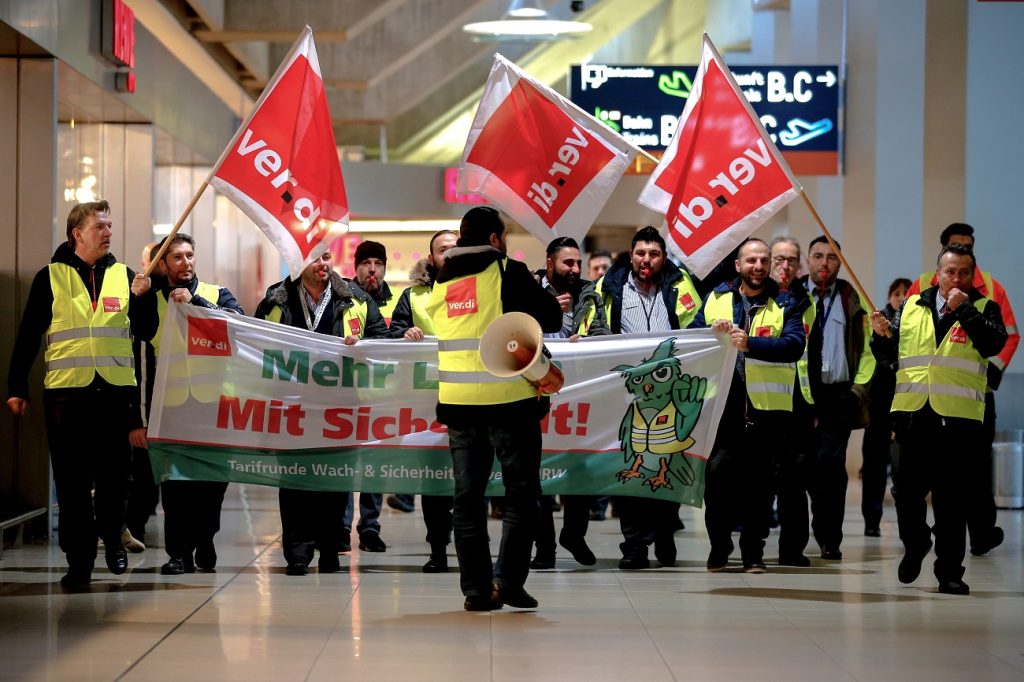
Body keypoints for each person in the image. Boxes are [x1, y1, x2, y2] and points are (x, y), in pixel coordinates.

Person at [7, 200, 157, 589]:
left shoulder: (126, 276)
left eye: (110, 226)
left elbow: (145, 331)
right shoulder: (51, 277)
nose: (108, 232)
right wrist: (16, 386)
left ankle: (112, 537)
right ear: (78, 233)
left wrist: (144, 297)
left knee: (114, 479)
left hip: (114, 394)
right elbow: (27, 336)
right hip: (66, 397)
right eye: (100, 226)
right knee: (71, 483)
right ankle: (80, 562)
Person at [426, 206, 562, 611]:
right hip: (509, 404)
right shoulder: (506, 272)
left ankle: (477, 591)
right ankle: (508, 583)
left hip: (459, 406)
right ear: (495, 239)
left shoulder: (441, 280)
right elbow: (551, 316)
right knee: (521, 497)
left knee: (467, 500)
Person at [870, 243, 1006, 595]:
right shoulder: (912, 306)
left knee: (951, 501)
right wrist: (879, 335)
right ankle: (916, 544)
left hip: (958, 422)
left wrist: (965, 311)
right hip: (913, 416)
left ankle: (949, 571)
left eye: (964, 272)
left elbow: (992, 344)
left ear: (972, 276)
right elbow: (889, 355)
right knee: (905, 493)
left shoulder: (984, 308)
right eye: (950, 271)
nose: (956, 278)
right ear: (937, 274)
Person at [256, 249, 388, 575]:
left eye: (327, 257)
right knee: (294, 482)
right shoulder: (276, 300)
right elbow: (254, 343)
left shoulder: (354, 298)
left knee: (334, 482)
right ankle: (298, 555)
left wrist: (369, 345)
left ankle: (330, 550)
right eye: (316, 257)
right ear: (298, 262)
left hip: (340, 407)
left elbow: (382, 339)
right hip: (292, 406)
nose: (323, 264)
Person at [690, 238, 806, 573]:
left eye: (764, 260)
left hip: (767, 411)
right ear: (738, 265)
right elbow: (692, 339)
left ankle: (753, 553)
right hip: (722, 408)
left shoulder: (786, 302)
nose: (758, 266)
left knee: (760, 486)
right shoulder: (716, 298)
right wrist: (710, 333)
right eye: (751, 260)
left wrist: (750, 344)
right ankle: (719, 547)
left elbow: (794, 345)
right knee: (717, 480)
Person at [906, 223, 1018, 556]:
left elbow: (1008, 335)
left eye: (968, 246)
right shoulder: (922, 285)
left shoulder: (991, 289)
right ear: (942, 252)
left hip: (974, 394)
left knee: (977, 469)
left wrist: (990, 376)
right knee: (932, 480)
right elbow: (908, 337)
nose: (963, 251)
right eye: (956, 246)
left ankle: (981, 532)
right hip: (927, 399)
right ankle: (938, 536)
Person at [597, 226, 702, 570]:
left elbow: (697, 329)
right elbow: (592, 328)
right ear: (631, 255)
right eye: (641, 253)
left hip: (669, 395)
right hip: (624, 395)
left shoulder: (680, 285)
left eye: (653, 254)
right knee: (628, 466)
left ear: (663, 257)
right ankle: (634, 546)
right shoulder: (608, 288)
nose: (646, 260)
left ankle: (665, 531)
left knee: (665, 463)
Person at [149, 233, 244, 575]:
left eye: (190, 255)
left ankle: (205, 538)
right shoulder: (154, 302)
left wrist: (196, 304)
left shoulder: (216, 294)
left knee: (212, 484)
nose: (186, 262)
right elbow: (141, 337)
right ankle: (178, 552)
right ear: (164, 264)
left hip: (213, 404)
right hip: (172, 405)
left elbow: (238, 326)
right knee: (174, 483)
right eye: (177, 257)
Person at [530, 236, 610, 569]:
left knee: (583, 468)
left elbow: (604, 334)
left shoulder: (591, 294)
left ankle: (573, 534)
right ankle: (544, 547)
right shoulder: (530, 291)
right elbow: (518, 335)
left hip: (580, 393)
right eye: (568, 263)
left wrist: (586, 344)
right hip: (538, 393)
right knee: (539, 475)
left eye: (578, 263)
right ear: (550, 263)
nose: (575, 269)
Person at [796, 236, 875, 561]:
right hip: (800, 396)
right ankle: (797, 538)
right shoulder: (792, 295)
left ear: (840, 263)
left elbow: (869, 352)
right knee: (801, 469)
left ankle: (830, 538)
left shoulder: (852, 298)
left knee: (832, 470)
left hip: (838, 396)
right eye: (817, 256)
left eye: (831, 257)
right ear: (808, 261)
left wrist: (856, 392)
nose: (824, 262)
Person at [386, 229, 459, 572]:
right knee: (434, 481)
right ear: (432, 259)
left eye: (456, 247)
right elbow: (391, 335)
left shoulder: (488, 289)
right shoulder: (412, 296)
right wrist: (404, 333)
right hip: (428, 401)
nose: (450, 253)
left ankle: (471, 547)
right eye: (443, 249)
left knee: (469, 479)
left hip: (472, 399)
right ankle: (438, 551)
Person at [345, 240, 395, 552]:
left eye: (378, 262)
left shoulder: (396, 302)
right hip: (348, 396)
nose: (372, 269)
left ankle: (370, 527)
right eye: (366, 263)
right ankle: (341, 526)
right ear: (357, 267)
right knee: (347, 465)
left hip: (383, 397)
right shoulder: (343, 298)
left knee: (375, 465)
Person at [768, 236, 813, 566]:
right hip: (760, 399)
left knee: (795, 481)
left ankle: (792, 549)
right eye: (779, 259)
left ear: (801, 266)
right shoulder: (755, 297)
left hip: (798, 402)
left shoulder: (808, 302)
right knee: (757, 480)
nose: (785, 266)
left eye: (792, 260)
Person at [860, 277, 910, 536]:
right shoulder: (877, 321)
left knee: (904, 469)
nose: (900, 297)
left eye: (905, 293)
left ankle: (907, 523)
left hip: (905, 403)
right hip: (879, 404)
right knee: (874, 466)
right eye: (896, 293)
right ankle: (872, 520)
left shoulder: (914, 323)